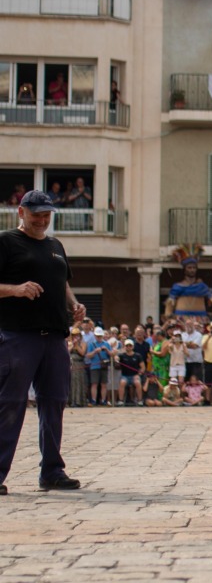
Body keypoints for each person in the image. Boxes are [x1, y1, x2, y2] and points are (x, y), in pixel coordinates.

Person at [0, 190, 85, 494]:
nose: (42, 219)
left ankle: (52, 471)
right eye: (36, 213)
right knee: (10, 404)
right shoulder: (6, 241)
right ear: (20, 212)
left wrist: (75, 304)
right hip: (17, 336)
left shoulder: (55, 245)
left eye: (46, 214)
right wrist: (16, 289)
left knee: (54, 404)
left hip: (55, 337)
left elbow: (62, 282)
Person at [164, 247, 212, 320]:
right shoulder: (177, 286)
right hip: (181, 319)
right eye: (189, 267)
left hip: (200, 320)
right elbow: (169, 305)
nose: (192, 270)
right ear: (184, 269)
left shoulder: (202, 286)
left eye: (194, 268)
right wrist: (169, 317)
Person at [115, 339, 144, 406]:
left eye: (130, 346)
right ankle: (121, 400)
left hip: (135, 375)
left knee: (137, 383)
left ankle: (140, 400)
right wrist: (116, 358)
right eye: (127, 346)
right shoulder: (122, 355)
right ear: (125, 346)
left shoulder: (138, 356)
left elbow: (143, 367)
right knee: (122, 382)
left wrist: (139, 374)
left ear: (132, 346)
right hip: (125, 375)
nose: (128, 347)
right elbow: (116, 357)